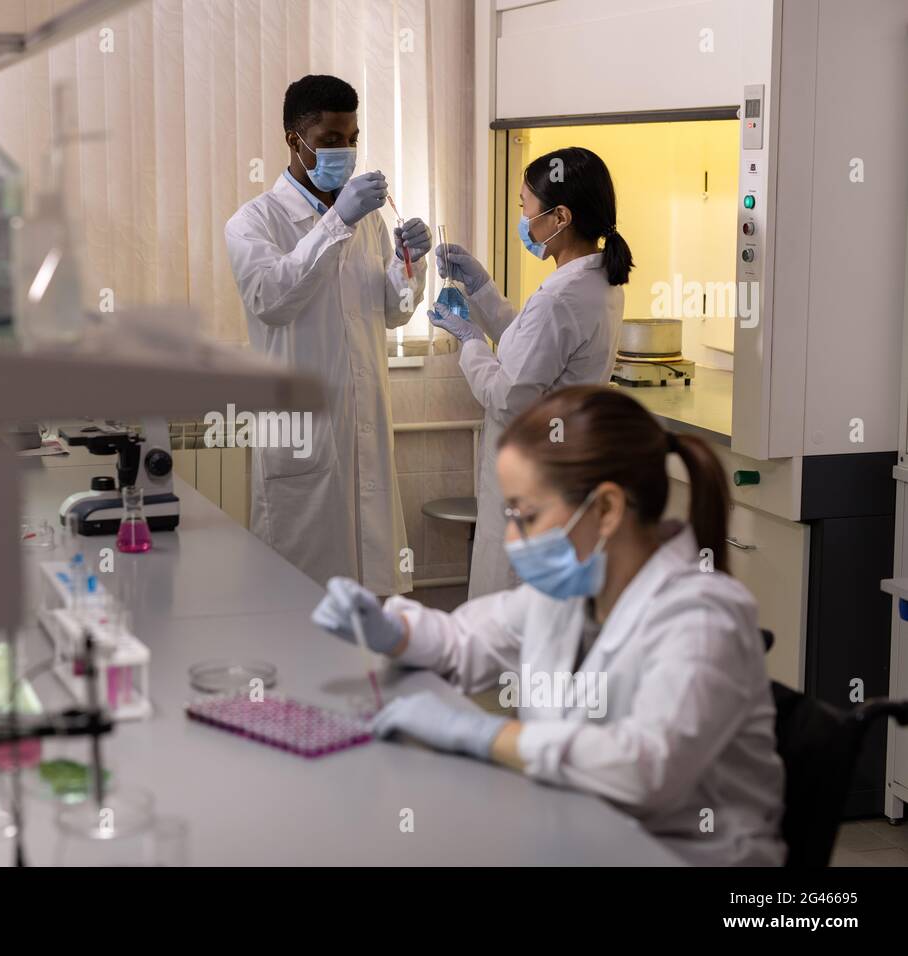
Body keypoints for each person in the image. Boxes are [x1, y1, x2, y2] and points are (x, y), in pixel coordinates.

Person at [312, 386, 786, 866]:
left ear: (605, 510)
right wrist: (393, 631)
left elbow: (645, 770)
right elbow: (466, 642)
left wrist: (480, 735)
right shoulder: (569, 594)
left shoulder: (703, 618)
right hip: (573, 832)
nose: (513, 537)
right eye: (510, 515)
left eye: (527, 515)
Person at [225, 75, 431, 596]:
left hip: (362, 428)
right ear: (295, 140)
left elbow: (392, 313)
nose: (347, 152)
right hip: (301, 439)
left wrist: (411, 263)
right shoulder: (253, 223)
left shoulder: (367, 223)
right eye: (332, 140)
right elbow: (272, 299)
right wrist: (336, 220)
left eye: (353, 138)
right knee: (297, 606)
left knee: (367, 607)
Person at [433, 146, 629, 598]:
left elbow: (509, 395)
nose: (522, 218)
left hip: (534, 479)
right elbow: (533, 345)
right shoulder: (594, 281)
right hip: (560, 471)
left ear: (560, 216)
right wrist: (480, 288)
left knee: (510, 614)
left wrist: (469, 342)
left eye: (525, 206)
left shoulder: (561, 295)